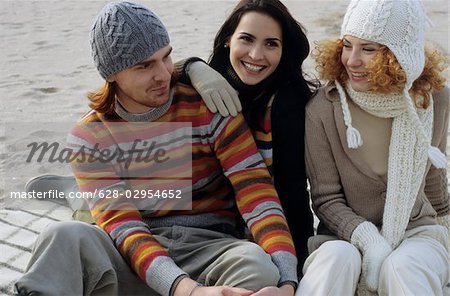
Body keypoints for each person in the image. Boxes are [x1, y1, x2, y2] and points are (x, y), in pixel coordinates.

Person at [14, 2, 299, 295]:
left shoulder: (210, 107)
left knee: (259, 268)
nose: (163, 74)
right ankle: (78, 197)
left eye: (166, 57)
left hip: (211, 249)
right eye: (145, 66)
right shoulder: (89, 136)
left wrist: (287, 280)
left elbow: (257, 195)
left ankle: (80, 197)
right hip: (135, 255)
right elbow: (125, 228)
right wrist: (187, 290)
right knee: (61, 236)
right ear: (111, 74)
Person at [296, 0, 450, 295]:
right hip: (342, 236)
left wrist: (447, 230)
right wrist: (368, 238)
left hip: (417, 232)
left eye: (368, 49)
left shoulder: (433, 100)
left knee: (403, 266)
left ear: (399, 54)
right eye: (348, 45)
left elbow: (433, 182)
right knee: (336, 260)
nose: (352, 60)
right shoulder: (324, 109)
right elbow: (326, 199)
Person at [176, 0, 316, 272]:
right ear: (228, 40)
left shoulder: (288, 103)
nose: (255, 54)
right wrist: (192, 67)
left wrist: (295, 270)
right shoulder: (205, 87)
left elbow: (293, 193)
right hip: (201, 232)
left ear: (284, 49)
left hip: (261, 239)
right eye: (247, 39)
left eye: (271, 44)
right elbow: (151, 76)